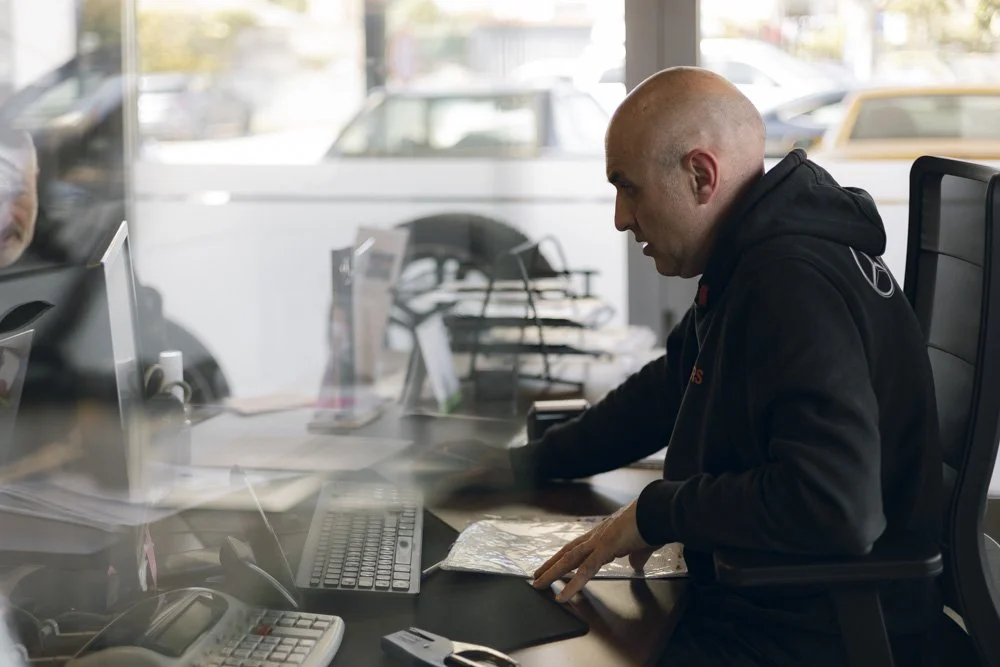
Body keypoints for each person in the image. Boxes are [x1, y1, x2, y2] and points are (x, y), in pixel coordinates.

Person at [430, 67, 942, 666]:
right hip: (780, 600)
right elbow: (671, 387)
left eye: (630, 187)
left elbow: (833, 505)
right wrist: (528, 465)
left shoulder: (789, 283)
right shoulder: (754, 257)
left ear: (700, 175)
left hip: (811, 632)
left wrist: (658, 511)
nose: (621, 218)